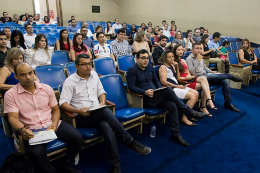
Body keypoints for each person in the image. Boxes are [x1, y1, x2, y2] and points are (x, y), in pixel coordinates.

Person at [59, 53, 151, 173]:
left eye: (90, 63)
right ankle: (129, 141)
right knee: (105, 111)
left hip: (97, 113)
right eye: (84, 64)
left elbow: (101, 92)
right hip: (81, 117)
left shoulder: (94, 75)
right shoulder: (70, 81)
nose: (88, 66)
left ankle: (116, 164)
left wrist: (102, 102)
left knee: (107, 127)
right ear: (76, 66)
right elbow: (63, 104)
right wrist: (78, 111)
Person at [5, 62, 83, 173]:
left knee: (77, 137)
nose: (28, 77)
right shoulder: (10, 94)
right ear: (16, 77)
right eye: (23, 75)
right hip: (32, 129)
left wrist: (55, 123)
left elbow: (55, 110)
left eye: (30, 73)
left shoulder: (46, 88)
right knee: (36, 153)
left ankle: (67, 166)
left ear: (34, 73)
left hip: (50, 123)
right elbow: (13, 118)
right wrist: (22, 130)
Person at [126, 49, 207, 146]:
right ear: (137, 59)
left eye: (147, 58)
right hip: (144, 99)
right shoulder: (132, 70)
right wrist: (145, 92)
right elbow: (131, 87)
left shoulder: (150, 67)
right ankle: (189, 111)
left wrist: (160, 90)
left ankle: (175, 134)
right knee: (168, 90)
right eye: (143, 58)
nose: (146, 60)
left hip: (156, 96)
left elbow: (156, 81)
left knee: (172, 105)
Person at [186, 43, 243, 112]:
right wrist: (197, 61)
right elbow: (192, 72)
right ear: (192, 49)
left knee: (224, 80)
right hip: (199, 78)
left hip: (206, 75)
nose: (199, 50)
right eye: (197, 48)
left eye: (200, 48)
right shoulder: (189, 59)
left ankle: (228, 103)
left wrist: (211, 71)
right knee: (212, 76)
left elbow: (204, 67)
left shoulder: (200, 56)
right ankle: (230, 76)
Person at [172, 44, 218, 116]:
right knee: (205, 85)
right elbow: (176, 77)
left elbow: (188, 72)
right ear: (175, 51)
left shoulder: (183, 60)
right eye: (178, 50)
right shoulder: (174, 62)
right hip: (183, 82)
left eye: (182, 49)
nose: (181, 51)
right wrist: (187, 78)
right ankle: (204, 105)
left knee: (204, 80)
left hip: (189, 79)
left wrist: (191, 77)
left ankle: (206, 103)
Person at [158, 50, 199, 125]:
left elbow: (177, 78)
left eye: (172, 56)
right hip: (171, 89)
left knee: (196, 93)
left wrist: (176, 67)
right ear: (165, 58)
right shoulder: (163, 67)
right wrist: (176, 86)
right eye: (169, 57)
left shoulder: (172, 65)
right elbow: (163, 82)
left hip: (177, 86)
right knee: (192, 96)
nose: (172, 59)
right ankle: (184, 118)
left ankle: (188, 114)